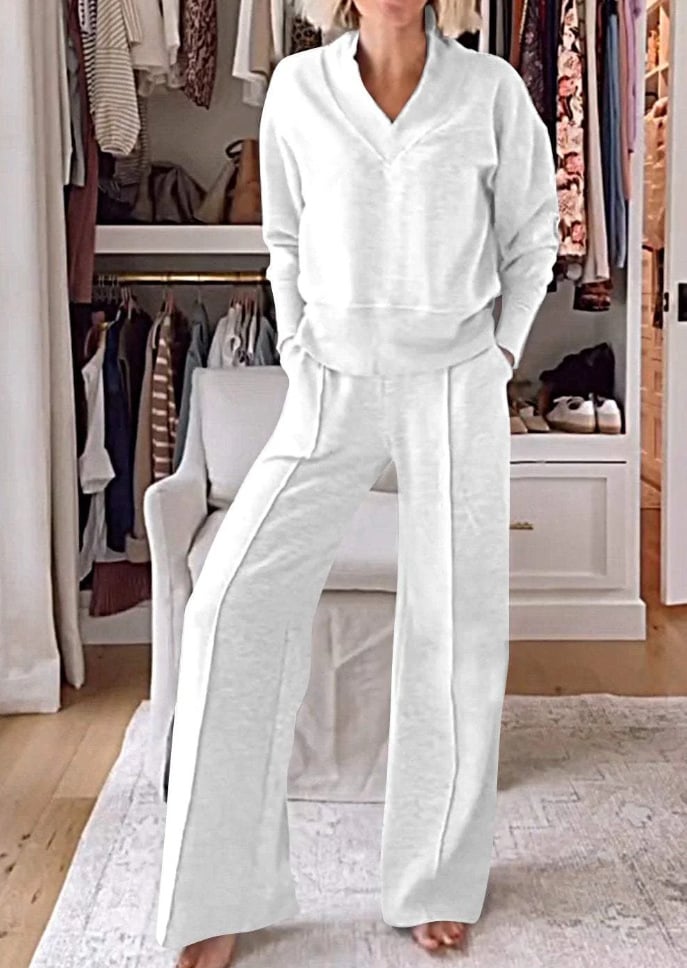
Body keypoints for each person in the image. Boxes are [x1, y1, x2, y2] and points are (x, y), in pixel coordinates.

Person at [155, 1, 559, 965]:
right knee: (228, 607)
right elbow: (285, 241)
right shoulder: (298, 87)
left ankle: (435, 879)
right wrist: (299, 349)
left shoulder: (491, 91)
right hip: (330, 384)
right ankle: (216, 892)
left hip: (454, 382)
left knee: (454, 634)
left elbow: (532, 238)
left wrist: (498, 356)